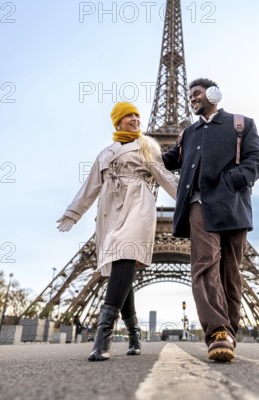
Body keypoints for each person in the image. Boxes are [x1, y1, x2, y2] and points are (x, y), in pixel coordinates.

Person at [57, 102, 178, 361]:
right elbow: (91, 184)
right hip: (111, 210)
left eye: (137, 115)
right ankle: (134, 333)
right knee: (121, 270)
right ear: (118, 122)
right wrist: (73, 212)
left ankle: (103, 338)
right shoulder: (106, 152)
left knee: (124, 258)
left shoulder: (148, 146)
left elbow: (165, 177)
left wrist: (193, 199)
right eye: (129, 116)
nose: (135, 119)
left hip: (138, 206)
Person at [162, 78, 259, 362]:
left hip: (232, 205)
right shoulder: (188, 133)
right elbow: (164, 160)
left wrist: (234, 180)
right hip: (198, 205)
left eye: (196, 93)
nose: (192, 98)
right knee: (204, 264)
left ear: (213, 94)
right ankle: (218, 331)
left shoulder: (240, 124)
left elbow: (257, 158)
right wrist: (137, 145)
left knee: (230, 273)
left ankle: (229, 331)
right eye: (190, 95)